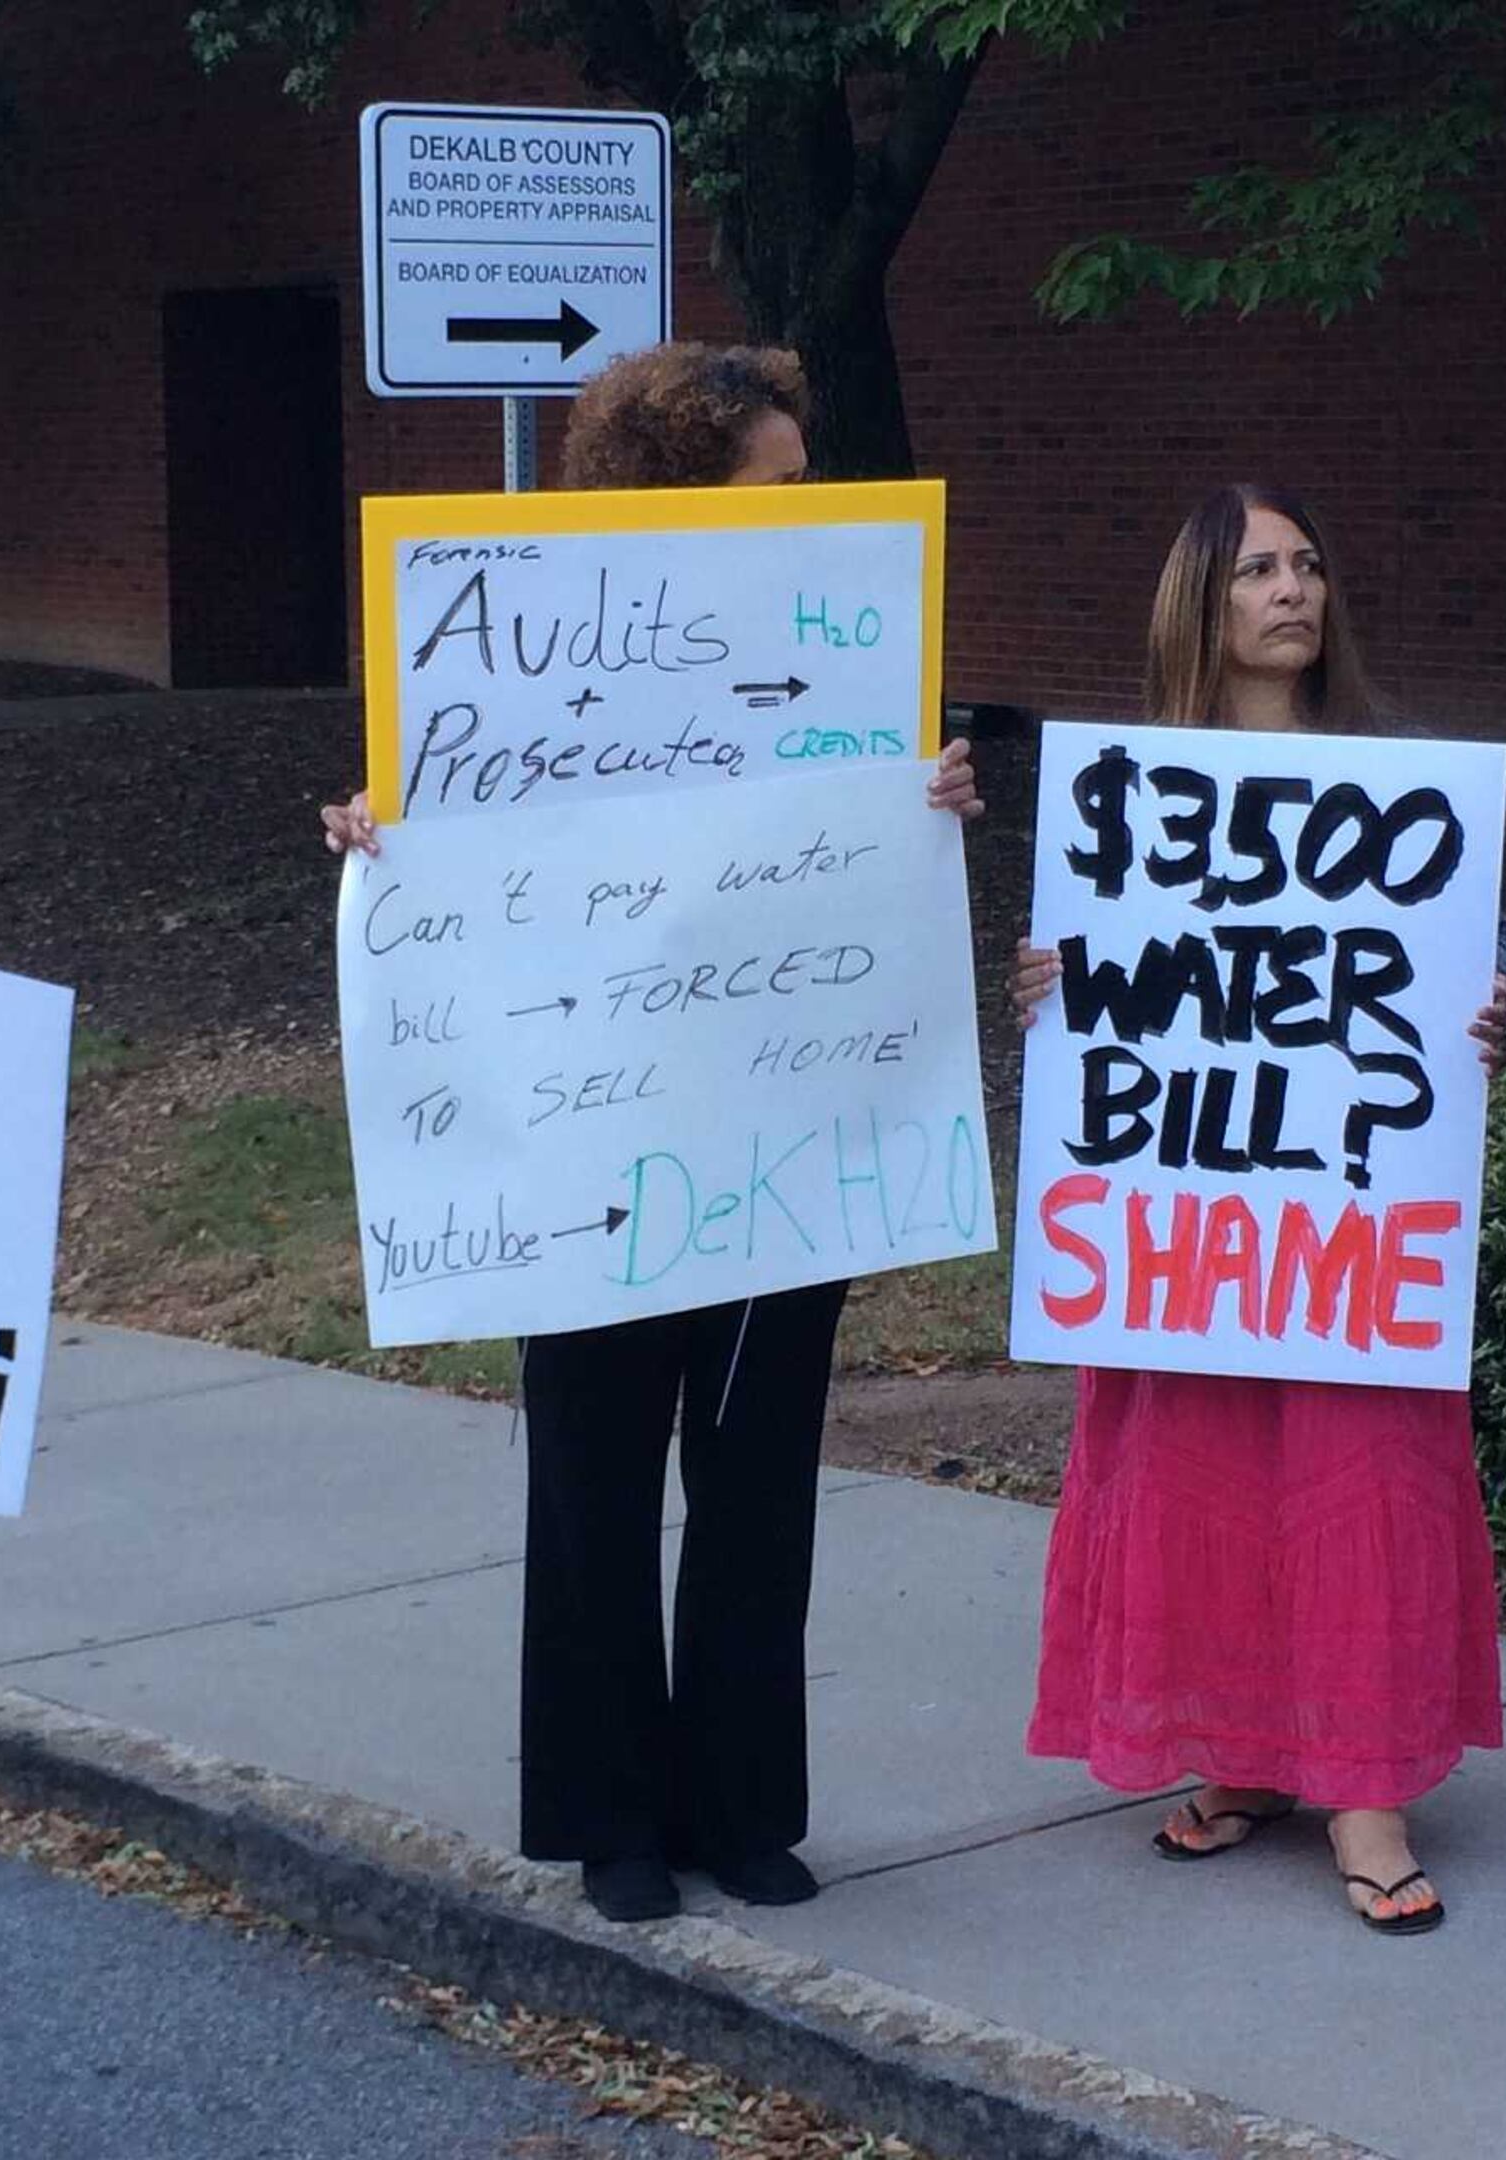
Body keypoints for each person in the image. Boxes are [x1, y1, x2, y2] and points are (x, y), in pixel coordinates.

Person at [321, 341, 977, 1923]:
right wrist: (370, 838)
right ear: (680, 487)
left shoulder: (846, 646)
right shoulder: (535, 640)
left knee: (759, 1481)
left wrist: (930, 795)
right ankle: (613, 1815)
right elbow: (454, 838)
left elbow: (854, 840)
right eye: (777, 480)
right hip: (586, 1138)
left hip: (781, 1125)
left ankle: (743, 1806)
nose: (807, 504)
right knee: (596, 1479)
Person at [1005, 485, 1506, 1936]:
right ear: (1202, 606)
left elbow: (1448, 995)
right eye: (1260, 571)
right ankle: (1239, 1753)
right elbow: (1105, 1015)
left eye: (1311, 563)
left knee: (1356, 1466)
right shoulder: (1130, 799)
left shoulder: (1400, 790)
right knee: (1202, 1462)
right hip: (1196, 1225)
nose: (1295, 590)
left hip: (1347, 1223)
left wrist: (1488, 1024)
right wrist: (1055, 994)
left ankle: (1363, 1788)